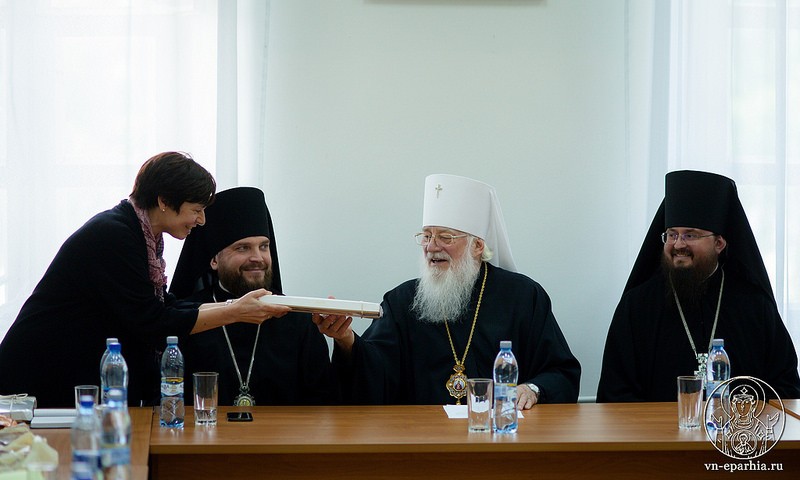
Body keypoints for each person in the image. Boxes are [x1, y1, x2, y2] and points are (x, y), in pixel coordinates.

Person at [0, 152, 290, 407]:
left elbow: (167, 305)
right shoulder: (114, 235)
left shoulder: (141, 236)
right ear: (164, 201)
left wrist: (235, 306)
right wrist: (235, 312)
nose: (201, 221)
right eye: (196, 210)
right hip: (35, 380)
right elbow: (152, 322)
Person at [317, 174, 581, 408]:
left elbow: (560, 372)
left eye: (445, 237)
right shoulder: (401, 301)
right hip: (422, 438)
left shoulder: (523, 296)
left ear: (477, 246)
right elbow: (377, 373)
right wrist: (346, 340)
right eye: (426, 236)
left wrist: (532, 389)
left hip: (499, 435)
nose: (432, 247)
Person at [597, 170, 800, 402]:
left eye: (690, 236)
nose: (678, 245)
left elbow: (785, 387)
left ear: (719, 243)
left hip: (739, 426)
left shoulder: (754, 306)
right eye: (672, 235)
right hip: (655, 426)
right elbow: (614, 392)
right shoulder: (637, 306)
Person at [169, 186, 337, 406]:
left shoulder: (299, 320)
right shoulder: (186, 318)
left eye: (264, 247)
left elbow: (324, 401)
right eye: (243, 248)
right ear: (214, 260)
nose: (257, 258)